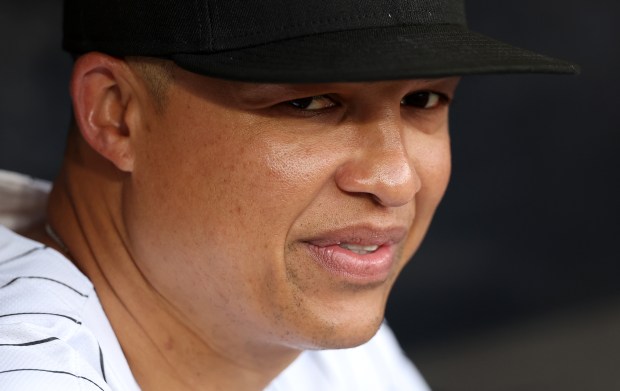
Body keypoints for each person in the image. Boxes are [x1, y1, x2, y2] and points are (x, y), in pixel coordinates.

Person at [0, 0, 577, 390]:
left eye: (422, 100)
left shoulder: (267, 307)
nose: (397, 179)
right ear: (117, 116)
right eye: (308, 102)